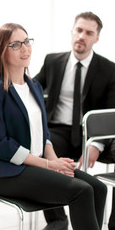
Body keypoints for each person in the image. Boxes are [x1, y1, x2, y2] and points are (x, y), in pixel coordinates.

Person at [0, 22, 107, 230]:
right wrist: (48, 165)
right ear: (2, 50)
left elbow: (43, 133)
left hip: (36, 166)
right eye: (16, 45)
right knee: (82, 191)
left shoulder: (33, 86)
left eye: (27, 42)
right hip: (9, 174)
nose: (25, 48)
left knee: (98, 188)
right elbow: (1, 145)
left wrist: (55, 162)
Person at [35, 11, 115, 230]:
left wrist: (97, 144)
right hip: (58, 130)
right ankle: (58, 220)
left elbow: (110, 113)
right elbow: (30, 90)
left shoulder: (109, 69)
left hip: (92, 134)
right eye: (78, 30)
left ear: (97, 38)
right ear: (72, 31)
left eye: (89, 32)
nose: (82, 36)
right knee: (40, 152)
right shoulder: (52, 61)